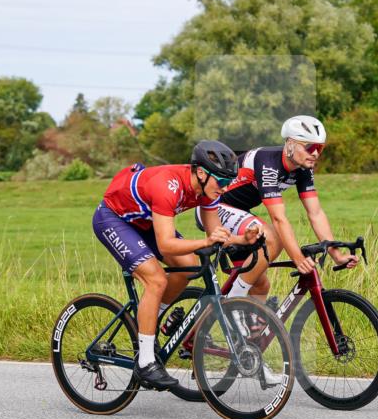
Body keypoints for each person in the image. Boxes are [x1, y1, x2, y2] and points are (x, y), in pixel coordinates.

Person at [94, 140, 258, 390]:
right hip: (113, 219)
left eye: (229, 181)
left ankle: (149, 320)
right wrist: (205, 242)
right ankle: (145, 363)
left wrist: (242, 239)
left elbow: (216, 234)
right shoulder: (167, 186)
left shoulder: (207, 190)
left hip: (145, 221)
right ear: (201, 173)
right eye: (222, 181)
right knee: (156, 280)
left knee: (189, 266)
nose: (225, 188)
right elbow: (166, 245)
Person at [196, 114, 358, 303]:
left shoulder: (304, 169)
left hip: (239, 213)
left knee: (260, 285)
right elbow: (278, 219)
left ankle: (244, 320)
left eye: (319, 148)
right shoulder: (268, 163)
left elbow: (315, 213)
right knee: (273, 237)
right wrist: (298, 259)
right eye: (309, 147)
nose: (315, 153)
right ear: (290, 144)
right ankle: (233, 300)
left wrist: (336, 255)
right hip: (212, 207)